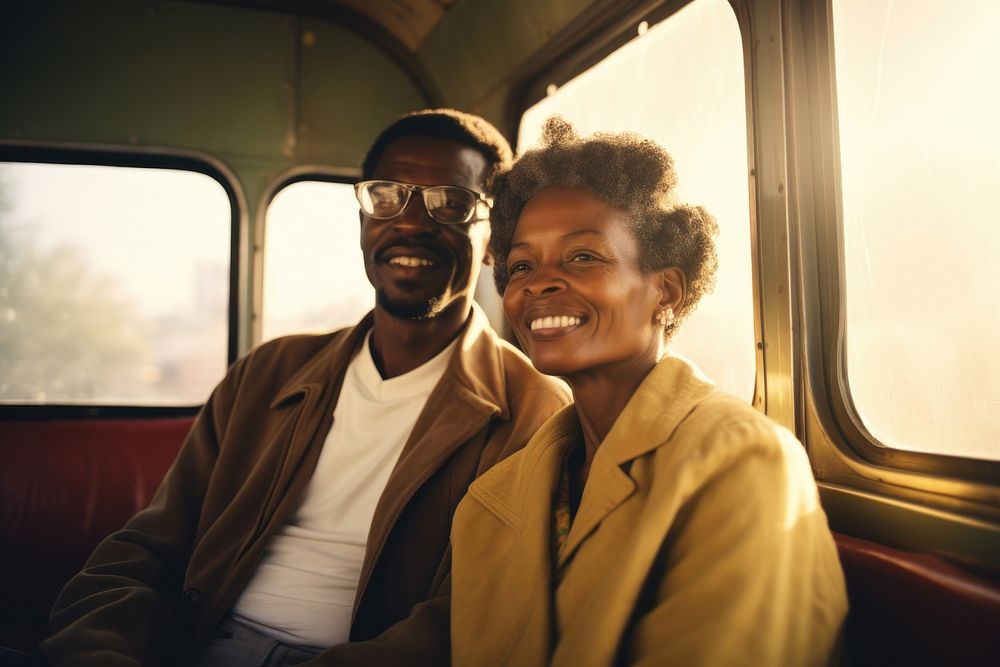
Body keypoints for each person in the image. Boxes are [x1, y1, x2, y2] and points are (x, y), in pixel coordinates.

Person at [39, 109, 570, 666]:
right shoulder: (268, 373)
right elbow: (147, 549)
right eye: (386, 196)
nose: (410, 222)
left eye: (451, 203)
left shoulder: (532, 412)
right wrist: (100, 650)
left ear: (494, 240)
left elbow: (476, 612)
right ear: (363, 216)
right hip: (195, 641)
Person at [450, 117, 848, 666]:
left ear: (665, 291)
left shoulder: (742, 462)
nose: (539, 283)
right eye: (521, 266)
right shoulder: (493, 499)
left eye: (582, 256)